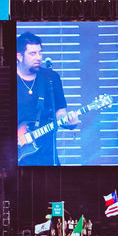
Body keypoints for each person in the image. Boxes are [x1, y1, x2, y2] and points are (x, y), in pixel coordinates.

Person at [14, 32, 80, 166]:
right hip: (18, 158)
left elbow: (60, 112)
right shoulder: (9, 79)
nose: (38, 57)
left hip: (47, 156)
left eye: (40, 53)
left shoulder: (51, 78)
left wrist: (69, 121)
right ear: (19, 56)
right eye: (32, 54)